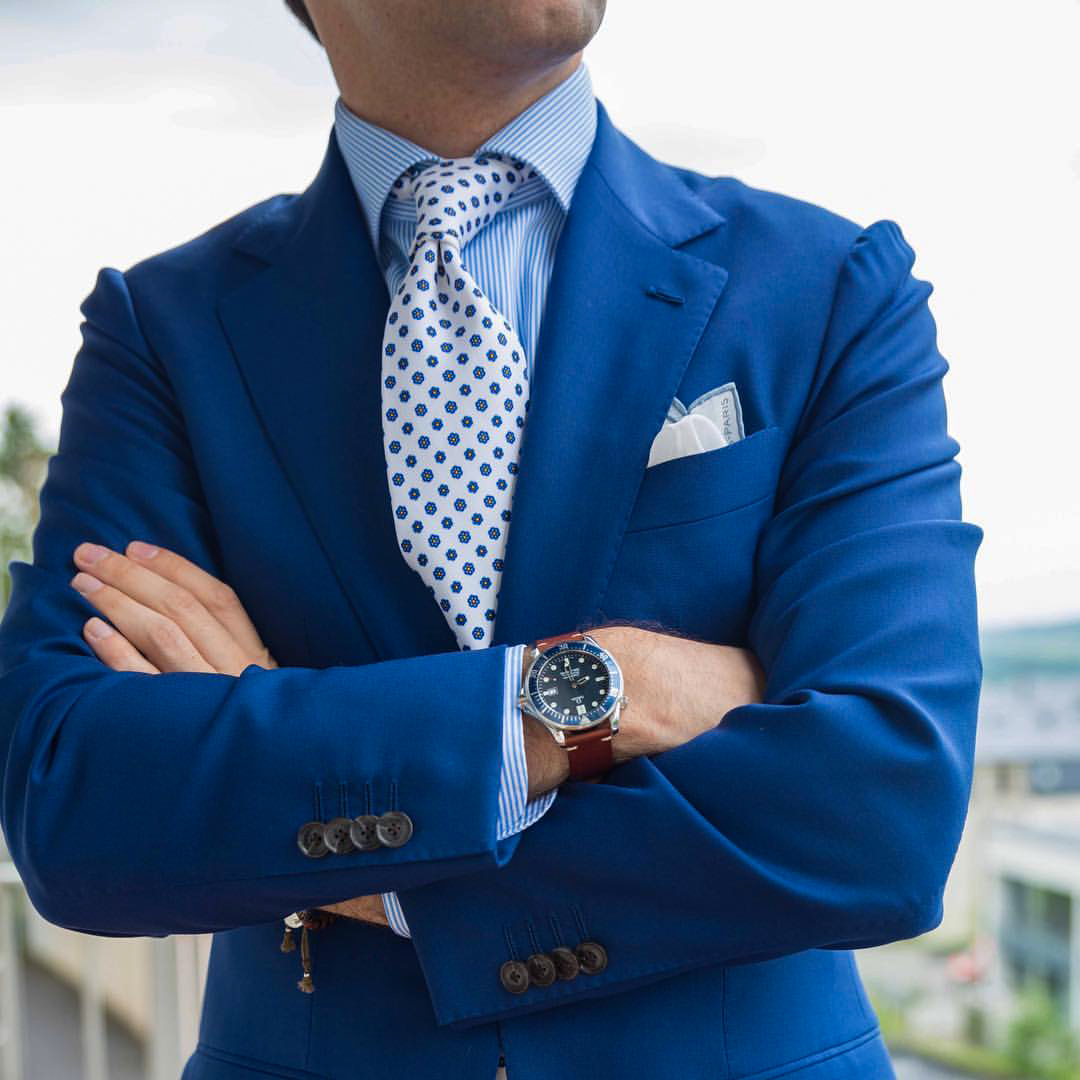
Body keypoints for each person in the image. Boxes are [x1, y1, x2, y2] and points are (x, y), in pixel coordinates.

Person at [0, 1, 984, 1077]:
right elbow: (78, 803)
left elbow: (882, 808)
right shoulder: (165, 333)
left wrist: (354, 857)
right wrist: (611, 686)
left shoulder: (831, 288)